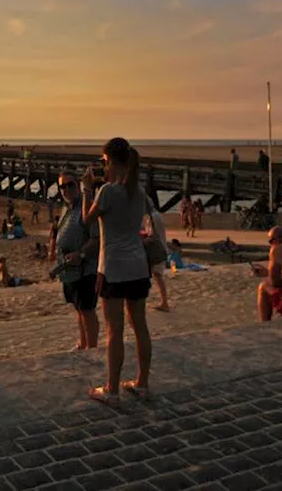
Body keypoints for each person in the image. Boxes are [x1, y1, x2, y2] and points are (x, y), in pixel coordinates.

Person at [80, 137, 152, 404]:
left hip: (113, 267)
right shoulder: (139, 190)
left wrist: (87, 189)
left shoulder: (108, 191)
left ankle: (111, 388)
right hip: (138, 265)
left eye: (104, 161)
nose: (103, 167)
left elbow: (86, 220)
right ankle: (142, 383)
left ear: (111, 161)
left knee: (115, 330)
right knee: (140, 326)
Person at [53, 172, 99, 350]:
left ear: (78, 185)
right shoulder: (66, 207)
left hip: (84, 268)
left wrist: (80, 254)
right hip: (68, 270)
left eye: (70, 185)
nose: (66, 189)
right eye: (62, 186)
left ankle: (92, 347)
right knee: (78, 308)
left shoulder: (86, 206)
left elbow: (96, 237)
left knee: (87, 309)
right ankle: (83, 342)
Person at [142, 203, 171, 312]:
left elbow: (151, 234)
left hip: (157, 250)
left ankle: (165, 303)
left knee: (157, 276)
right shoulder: (155, 215)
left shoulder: (151, 217)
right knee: (156, 276)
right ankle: (164, 302)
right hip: (160, 248)